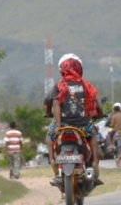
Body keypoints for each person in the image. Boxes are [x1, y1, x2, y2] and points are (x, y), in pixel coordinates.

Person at [44, 54, 105, 189]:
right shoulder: (86, 85)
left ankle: (53, 161)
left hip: (63, 125)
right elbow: (96, 104)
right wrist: (100, 113)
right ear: (79, 68)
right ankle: (94, 163)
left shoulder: (59, 86)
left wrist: (58, 124)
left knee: (49, 140)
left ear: (62, 70)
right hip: (83, 126)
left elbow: (54, 105)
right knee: (93, 140)